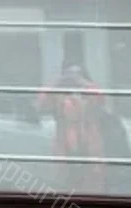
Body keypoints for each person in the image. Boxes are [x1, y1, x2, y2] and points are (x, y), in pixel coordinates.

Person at [38, 56, 108, 193]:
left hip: (90, 143)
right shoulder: (58, 93)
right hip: (64, 144)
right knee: (64, 184)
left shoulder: (89, 91)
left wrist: (82, 83)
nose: (73, 78)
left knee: (93, 183)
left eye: (77, 73)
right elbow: (41, 104)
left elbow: (101, 100)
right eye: (69, 73)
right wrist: (59, 82)